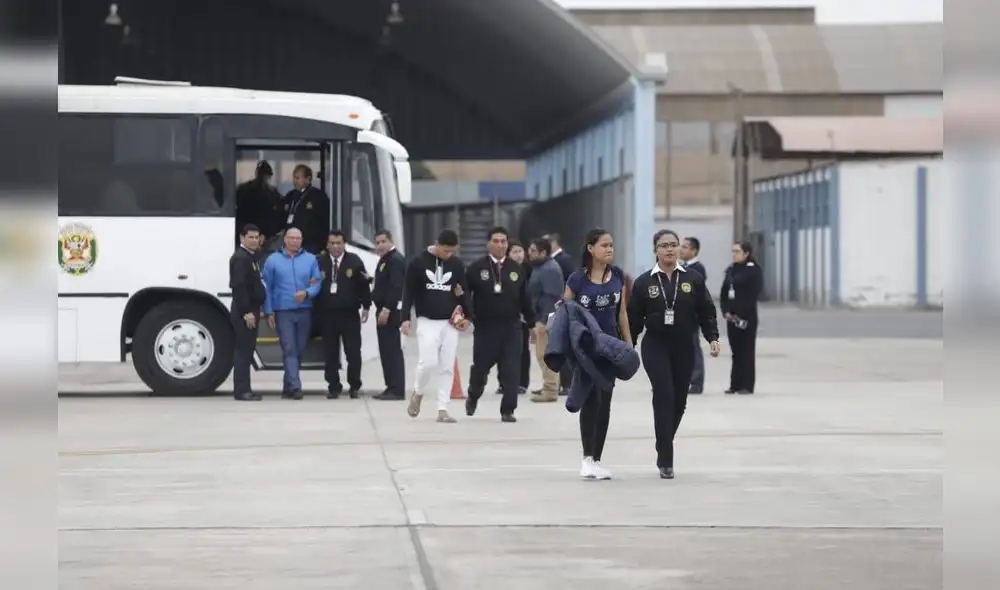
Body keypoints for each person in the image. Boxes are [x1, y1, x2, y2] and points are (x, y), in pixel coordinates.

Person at [628, 230, 721, 480]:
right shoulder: (644, 282)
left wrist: (712, 337)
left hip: (684, 345)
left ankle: (664, 440)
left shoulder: (693, 278)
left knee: (679, 398)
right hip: (655, 345)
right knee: (664, 392)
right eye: (663, 245)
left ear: (679, 249)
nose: (669, 250)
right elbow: (633, 318)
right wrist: (627, 346)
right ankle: (665, 456)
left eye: (673, 245)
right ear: (655, 250)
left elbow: (706, 310)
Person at [563, 229, 632, 480]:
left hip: (610, 348)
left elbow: (621, 312)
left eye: (611, 245)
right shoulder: (576, 280)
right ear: (591, 248)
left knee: (605, 403)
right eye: (604, 245)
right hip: (585, 349)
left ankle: (597, 458)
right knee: (591, 401)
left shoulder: (618, 276)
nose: (609, 249)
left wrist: (629, 344)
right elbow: (566, 314)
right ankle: (587, 458)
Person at [464, 227, 534, 423]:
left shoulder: (516, 268)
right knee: (480, 370)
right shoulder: (476, 268)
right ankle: (473, 396)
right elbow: (465, 295)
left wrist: (532, 322)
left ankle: (508, 410)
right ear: (489, 244)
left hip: (512, 328)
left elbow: (524, 298)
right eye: (496, 241)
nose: (500, 245)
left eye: (503, 241)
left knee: (511, 370)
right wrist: (466, 315)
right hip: (486, 329)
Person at [402, 229, 471, 423]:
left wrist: (468, 316)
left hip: (449, 322)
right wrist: (405, 317)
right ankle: (418, 391)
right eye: (445, 251)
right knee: (428, 361)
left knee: (447, 366)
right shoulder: (418, 262)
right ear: (437, 244)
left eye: (452, 251)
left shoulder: (456, 265)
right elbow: (408, 292)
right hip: (426, 320)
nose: (448, 255)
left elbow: (463, 291)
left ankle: (443, 408)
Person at [261, 227, 322, 400]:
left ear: (302, 240)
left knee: (299, 349)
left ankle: (288, 385)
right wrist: (268, 311)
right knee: (289, 348)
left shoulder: (310, 260)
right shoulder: (273, 260)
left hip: (305, 310)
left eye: (298, 238)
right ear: (285, 240)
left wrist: (307, 293)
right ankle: (295, 387)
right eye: (291, 238)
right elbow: (267, 288)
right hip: (283, 311)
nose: (295, 241)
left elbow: (317, 283)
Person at [316, 230, 371, 399]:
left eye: (338, 243)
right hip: (327, 315)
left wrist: (366, 307)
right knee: (330, 352)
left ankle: (354, 385)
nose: (335, 246)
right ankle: (333, 386)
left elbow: (364, 285)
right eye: (332, 243)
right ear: (327, 244)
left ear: (344, 244)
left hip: (349, 315)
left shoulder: (354, 261)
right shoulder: (319, 261)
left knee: (353, 351)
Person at [720, 241, 764, 395]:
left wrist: (740, 313)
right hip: (731, 317)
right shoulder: (731, 270)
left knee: (746, 351)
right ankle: (735, 384)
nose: (734, 254)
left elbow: (753, 294)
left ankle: (747, 385)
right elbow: (724, 292)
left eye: (737, 251)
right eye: (732, 251)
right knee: (736, 351)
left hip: (746, 317)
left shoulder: (753, 271)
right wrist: (725, 310)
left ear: (746, 253)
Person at [229, 224, 266, 401]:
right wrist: (246, 312)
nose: (254, 240)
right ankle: (242, 390)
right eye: (250, 237)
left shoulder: (249, 257)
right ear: (242, 238)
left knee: (247, 349)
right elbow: (239, 286)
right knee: (244, 350)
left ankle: (245, 388)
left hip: (252, 308)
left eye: (256, 237)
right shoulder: (241, 259)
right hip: (246, 311)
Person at [527, 237, 565, 403]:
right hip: (541, 317)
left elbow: (551, 298)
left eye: (533, 251)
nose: (530, 253)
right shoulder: (540, 267)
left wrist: (544, 322)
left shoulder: (549, 270)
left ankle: (550, 390)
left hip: (547, 318)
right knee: (541, 354)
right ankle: (548, 385)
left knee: (545, 355)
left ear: (543, 252)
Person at [371, 230, 407, 401]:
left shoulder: (395, 260)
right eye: (377, 243)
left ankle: (397, 388)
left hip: (390, 312)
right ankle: (391, 386)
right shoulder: (385, 260)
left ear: (391, 241)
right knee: (386, 350)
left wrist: (386, 309)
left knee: (392, 350)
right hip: (384, 310)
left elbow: (396, 287)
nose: (380, 245)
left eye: (383, 241)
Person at [497, 239, 532, 396]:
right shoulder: (501, 269)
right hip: (504, 315)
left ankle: (522, 383)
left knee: (522, 350)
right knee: (502, 352)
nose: (518, 255)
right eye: (514, 252)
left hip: (522, 316)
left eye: (520, 251)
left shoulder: (529, 269)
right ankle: (504, 383)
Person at [679, 236, 707, 394]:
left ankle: (696, 382)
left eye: (685, 247)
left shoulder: (697, 269)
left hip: (691, 314)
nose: (681, 250)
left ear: (693, 251)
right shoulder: (682, 267)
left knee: (693, 347)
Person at [282, 164, 330, 254]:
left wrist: (323, 244)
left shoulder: (318, 196)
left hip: (310, 244)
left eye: (297, 178)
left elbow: (324, 222)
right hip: (291, 243)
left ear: (308, 179)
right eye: (294, 178)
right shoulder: (291, 195)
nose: (294, 181)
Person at [235, 161, 284, 250]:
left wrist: (266, 234)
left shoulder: (272, 193)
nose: (264, 178)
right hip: (248, 232)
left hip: (264, 237)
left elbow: (275, 217)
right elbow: (240, 213)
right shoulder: (244, 190)